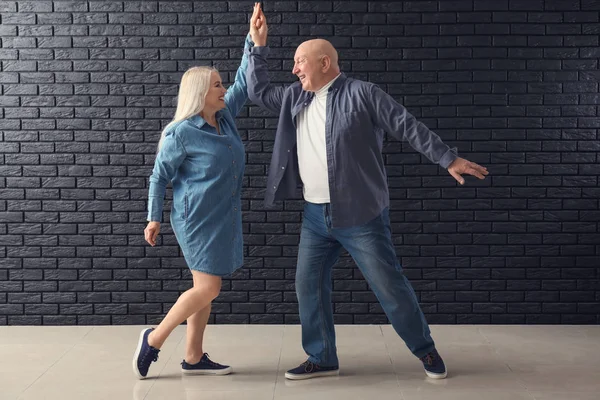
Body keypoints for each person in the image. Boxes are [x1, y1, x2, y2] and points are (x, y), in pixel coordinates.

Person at [246, 7, 488, 380]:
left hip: (361, 214)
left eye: (300, 62)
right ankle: (323, 357)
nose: (294, 69)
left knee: (389, 286)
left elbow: (407, 125)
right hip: (314, 216)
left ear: (325, 62)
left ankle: (425, 351)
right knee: (307, 286)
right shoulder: (296, 97)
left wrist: (447, 158)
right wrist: (257, 45)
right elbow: (257, 90)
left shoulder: (363, 94)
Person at [132, 3, 262, 380]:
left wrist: (251, 40)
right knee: (210, 287)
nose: (225, 89)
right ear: (202, 92)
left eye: (222, 84)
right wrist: (153, 217)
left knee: (204, 288)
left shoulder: (224, 116)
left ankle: (192, 356)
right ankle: (154, 339)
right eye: (218, 85)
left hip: (221, 216)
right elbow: (159, 176)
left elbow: (244, 77)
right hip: (195, 219)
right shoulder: (181, 132)